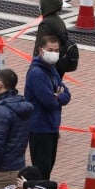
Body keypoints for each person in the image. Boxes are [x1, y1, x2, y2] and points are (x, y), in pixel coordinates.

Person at [24, 34, 71, 180]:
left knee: (47, 169)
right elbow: (49, 101)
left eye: (57, 50)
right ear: (41, 50)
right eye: (50, 49)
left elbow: (67, 93)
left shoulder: (51, 69)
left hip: (51, 126)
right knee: (41, 172)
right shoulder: (37, 73)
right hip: (40, 128)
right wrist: (57, 96)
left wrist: (59, 96)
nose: (54, 53)